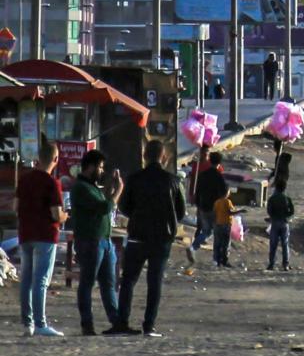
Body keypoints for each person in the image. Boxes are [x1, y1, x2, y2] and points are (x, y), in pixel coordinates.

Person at [116, 140, 186, 338]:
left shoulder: (134, 179)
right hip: (162, 238)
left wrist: (138, 217)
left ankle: (122, 321)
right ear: (163, 157)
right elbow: (180, 211)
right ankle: (149, 325)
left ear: (145, 155)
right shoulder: (173, 181)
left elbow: (124, 207)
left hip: (138, 236)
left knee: (129, 280)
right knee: (154, 282)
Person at [15, 139, 66, 337]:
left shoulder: (25, 180)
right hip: (45, 234)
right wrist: (65, 216)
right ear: (55, 158)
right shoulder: (52, 183)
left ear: (38, 158)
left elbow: (15, 207)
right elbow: (56, 213)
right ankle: (40, 323)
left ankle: (27, 323)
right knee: (41, 280)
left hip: (25, 233)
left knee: (26, 279)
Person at [71, 149, 124, 336]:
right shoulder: (81, 188)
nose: (101, 171)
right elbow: (104, 207)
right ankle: (87, 324)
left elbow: (103, 203)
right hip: (90, 241)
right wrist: (118, 191)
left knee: (109, 283)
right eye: (100, 167)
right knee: (87, 283)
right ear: (90, 167)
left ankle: (116, 321)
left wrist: (110, 188)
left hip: (104, 241)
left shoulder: (93, 187)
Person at [187, 151, 226, 264]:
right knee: (214, 232)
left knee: (206, 230)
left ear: (210, 160)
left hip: (203, 206)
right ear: (219, 162)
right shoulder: (219, 176)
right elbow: (223, 193)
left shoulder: (203, 174)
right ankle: (215, 258)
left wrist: (198, 204)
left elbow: (197, 191)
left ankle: (193, 247)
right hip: (214, 208)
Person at [267, 153, 295, 271]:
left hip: (275, 223)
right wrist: (287, 217)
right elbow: (292, 211)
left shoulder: (272, 199)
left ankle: (272, 264)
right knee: (285, 244)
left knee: (273, 245)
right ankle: (286, 264)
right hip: (284, 223)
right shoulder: (287, 199)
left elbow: (269, 210)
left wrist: (272, 217)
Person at [213, 184, 245, 268]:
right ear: (227, 192)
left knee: (217, 243)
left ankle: (217, 261)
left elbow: (214, 213)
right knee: (226, 244)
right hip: (226, 225)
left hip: (217, 225)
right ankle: (224, 261)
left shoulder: (217, 202)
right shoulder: (227, 202)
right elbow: (230, 212)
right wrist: (240, 211)